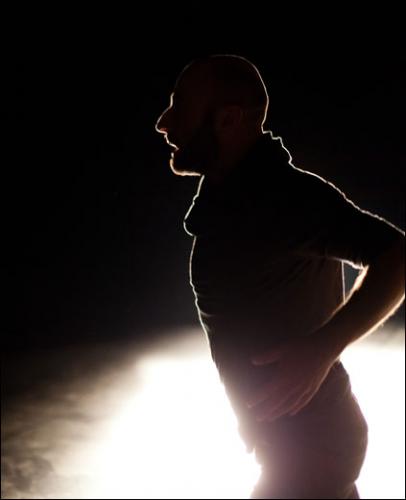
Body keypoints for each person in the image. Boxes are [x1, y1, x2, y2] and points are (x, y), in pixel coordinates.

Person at [155, 54, 405, 499]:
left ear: (228, 119)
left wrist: (324, 347)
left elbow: (399, 258)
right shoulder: (227, 203)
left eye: (181, 106)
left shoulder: (287, 199)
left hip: (314, 448)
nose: (164, 122)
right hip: (296, 446)